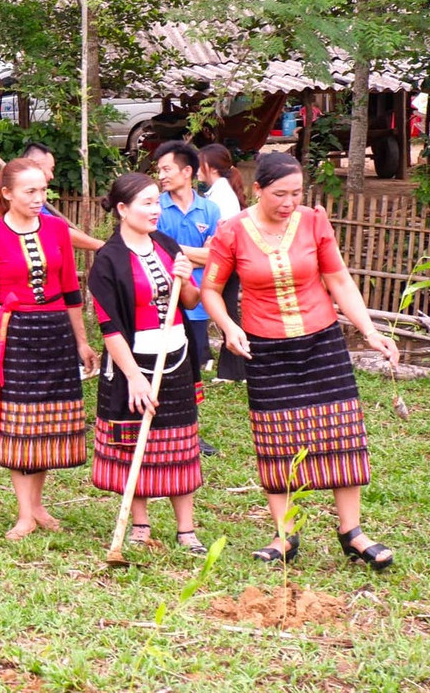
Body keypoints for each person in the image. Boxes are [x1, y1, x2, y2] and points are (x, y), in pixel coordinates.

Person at [203, 152, 399, 569]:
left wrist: (369, 330)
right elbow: (211, 290)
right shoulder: (232, 230)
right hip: (266, 347)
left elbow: (338, 278)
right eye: (280, 194)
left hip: (322, 341)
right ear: (258, 189)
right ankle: (284, 535)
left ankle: (352, 532)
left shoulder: (314, 221)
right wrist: (229, 327)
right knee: (277, 440)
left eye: (296, 192)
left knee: (342, 432)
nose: (290, 202)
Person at [0, 158, 97, 540]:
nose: (40, 198)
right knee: (20, 426)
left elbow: (72, 290)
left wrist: (82, 341)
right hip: (16, 334)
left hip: (55, 333)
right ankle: (24, 513)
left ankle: (38, 505)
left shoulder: (57, 230)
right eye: (30, 191)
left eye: (43, 191)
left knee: (47, 424)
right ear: (6, 194)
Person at [88, 174, 207, 555]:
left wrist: (186, 279)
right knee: (133, 443)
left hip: (177, 357)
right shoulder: (107, 261)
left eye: (158, 202)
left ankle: (186, 530)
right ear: (123, 209)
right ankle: (139, 524)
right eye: (147, 203)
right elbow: (110, 328)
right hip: (132, 363)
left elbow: (189, 301)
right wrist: (135, 377)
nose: (156, 210)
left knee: (179, 442)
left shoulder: (167, 245)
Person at [152, 140, 221, 456]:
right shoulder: (156, 206)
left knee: (190, 371)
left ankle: (190, 432)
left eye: (166, 169)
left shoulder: (210, 209)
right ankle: (155, 430)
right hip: (160, 299)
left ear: (187, 171)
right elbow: (155, 249)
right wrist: (190, 254)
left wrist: (178, 251)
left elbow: (214, 257)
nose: (161, 175)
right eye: (159, 170)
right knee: (157, 366)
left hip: (194, 302)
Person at [197, 143, 246, 383]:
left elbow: (225, 231)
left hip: (226, 260)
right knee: (225, 311)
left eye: (199, 164)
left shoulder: (222, 195)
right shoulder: (219, 191)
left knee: (226, 312)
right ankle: (233, 370)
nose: (197, 170)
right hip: (224, 259)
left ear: (209, 166)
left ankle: (235, 371)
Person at [20, 143, 104, 252]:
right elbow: (57, 230)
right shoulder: (23, 200)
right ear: (36, 166)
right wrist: (100, 245)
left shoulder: (35, 199)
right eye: (51, 169)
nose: (52, 176)